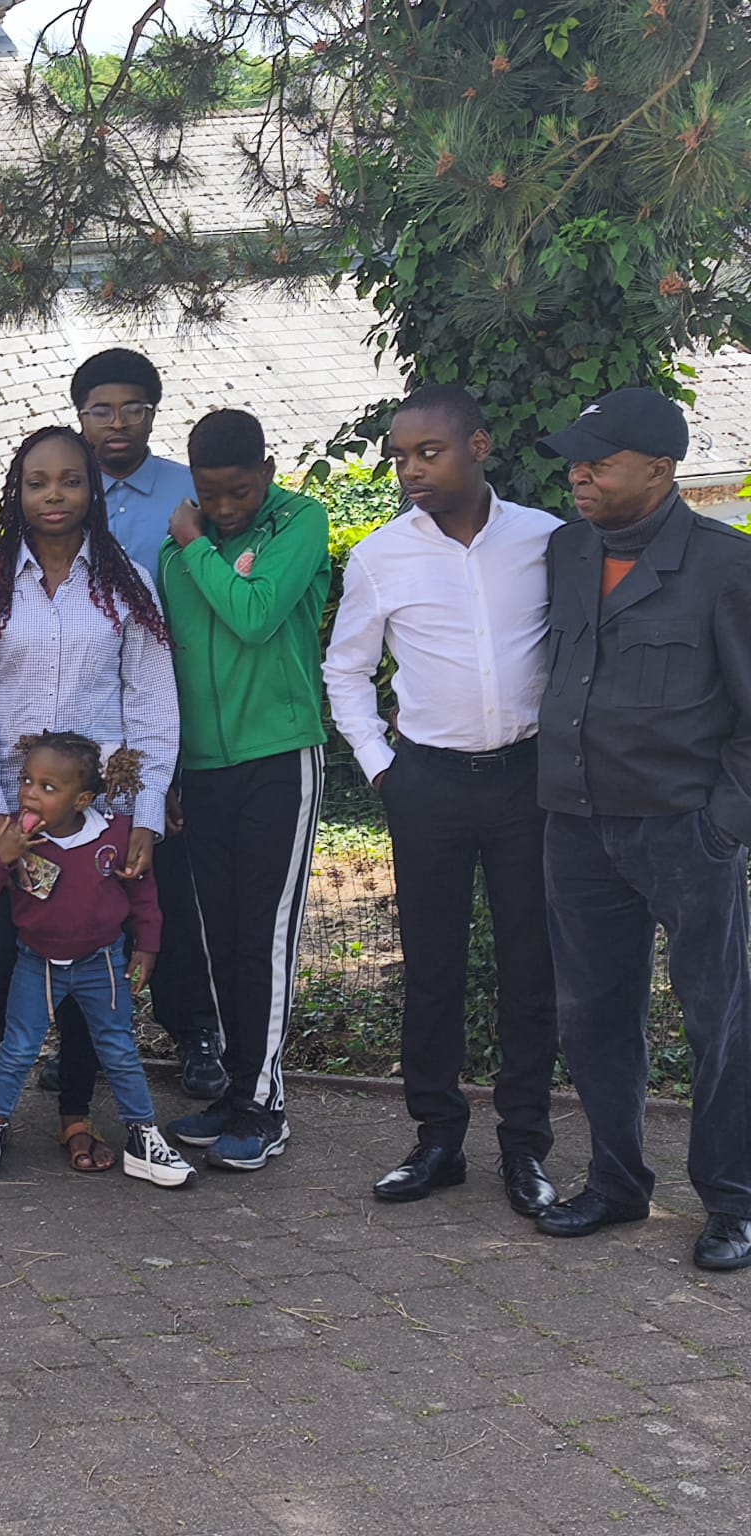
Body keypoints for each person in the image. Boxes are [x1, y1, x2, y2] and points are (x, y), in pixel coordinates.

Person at [322, 386, 560, 1215]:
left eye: (430, 452)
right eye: (400, 457)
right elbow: (346, 670)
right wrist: (381, 767)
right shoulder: (380, 557)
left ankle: (526, 1146)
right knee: (432, 969)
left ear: (479, 446)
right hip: (427, 785)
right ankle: (437, 1140)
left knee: (532, 968)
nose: (411, 470)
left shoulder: (545, 540)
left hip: (529, 782)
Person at [529, 388, 751, 1272]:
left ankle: (732, 1201)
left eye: (599, 463)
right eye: (575, 462)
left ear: (660, 470)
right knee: (592, 1016)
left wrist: (723, 822)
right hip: (578, 824)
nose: (579, 476)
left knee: (717, 1019)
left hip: (682, 829)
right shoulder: (568, 550)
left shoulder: (724, 566)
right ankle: (617, 1183)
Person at [0, 427, 178, 1178]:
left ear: (92, 491)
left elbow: (152, 707)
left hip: (96, 817)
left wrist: (145, 817)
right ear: (17, 492)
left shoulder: (125, 583)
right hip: (9, 812)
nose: (54, 495)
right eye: (37, 481)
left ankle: (76, 1115)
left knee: (89, 970)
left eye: (71, 480)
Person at [157, 410, 330, 1171]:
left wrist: (197, 544)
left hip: (279, 757)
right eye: (210, 494)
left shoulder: (300, 522)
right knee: (218, 935)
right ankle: (236, 1094)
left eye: (240, 492)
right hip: (202, 767)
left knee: (264, 934)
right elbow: (170, 664)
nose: (226, 508)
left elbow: (256, 617)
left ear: (267, 471)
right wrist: (168, 771)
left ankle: (265, 1107)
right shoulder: (177, 553)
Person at [71, 348, 225, 1099]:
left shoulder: (186, 492)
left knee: (169, 883)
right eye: (101, 410)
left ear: (154, 413)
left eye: (133, 408)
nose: (117, 423)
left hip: (170, 712)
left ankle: (195, 1033)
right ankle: (89, 1044)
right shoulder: (64, 492)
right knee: (84, 882)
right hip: (84, 723)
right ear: (80, 418)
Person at [0, 734, 194, 1191]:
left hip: (102, 964)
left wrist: (148, 945)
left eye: (47, 787)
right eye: (26, 780)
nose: (29, 794)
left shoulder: (114, 834)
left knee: (119, 1050)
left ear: (82, 800)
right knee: (17, 1050)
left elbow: (142, 893)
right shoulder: (13, 835)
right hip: (36, 963)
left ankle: (143, 1136)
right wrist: (0, 858)